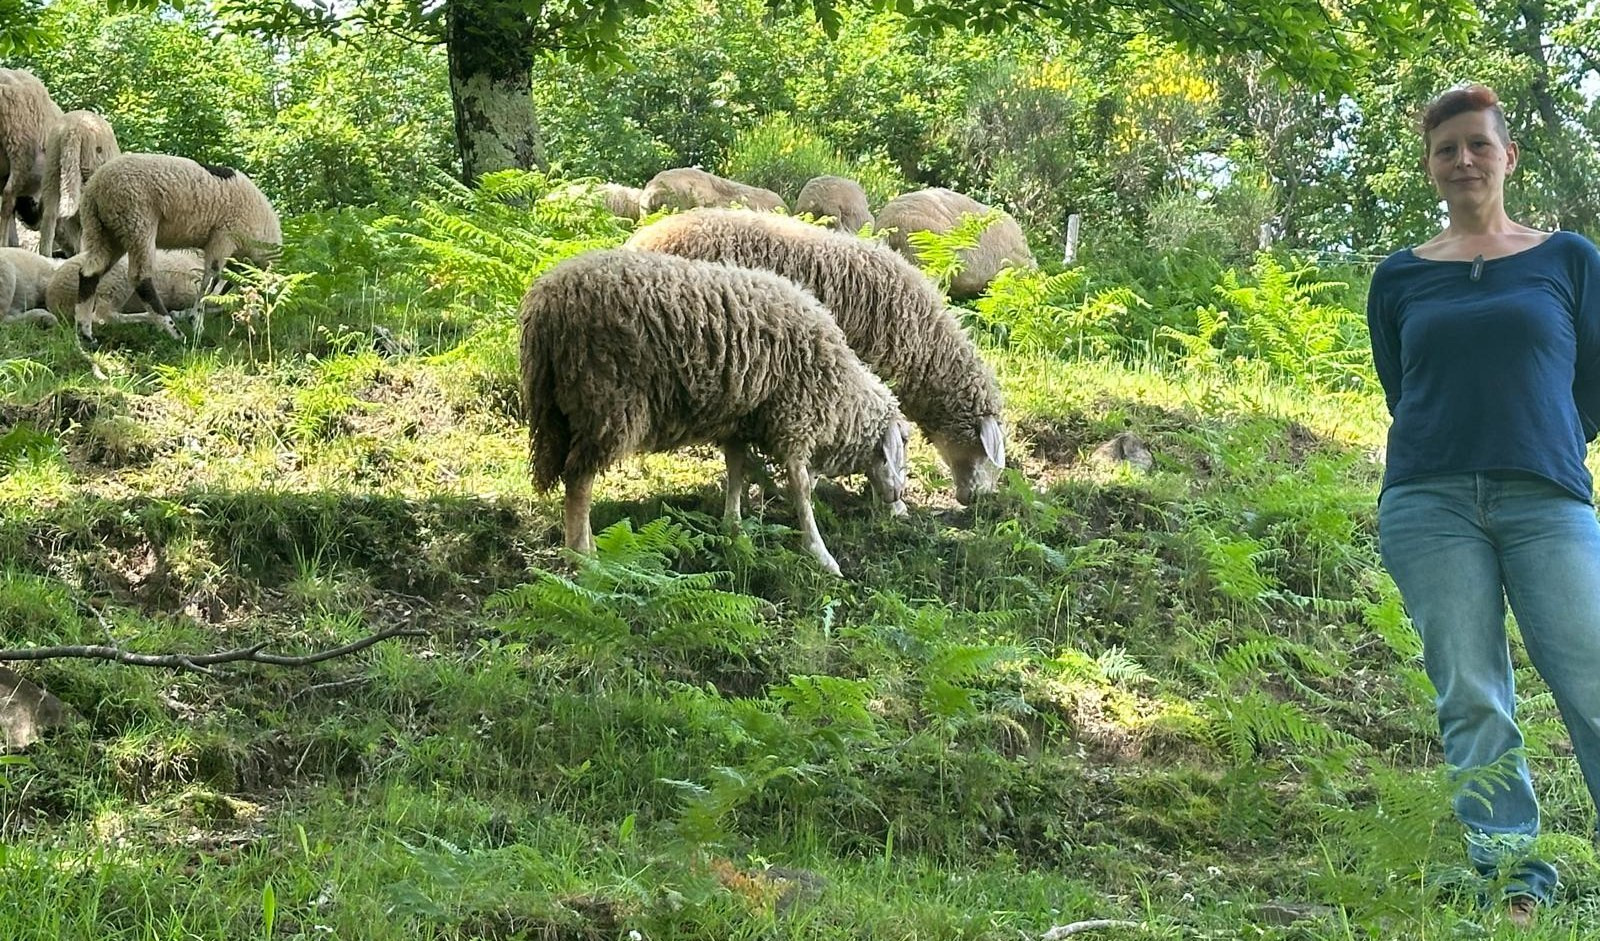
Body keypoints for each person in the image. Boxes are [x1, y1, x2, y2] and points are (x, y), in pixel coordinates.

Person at [1367, 83, 1600, 928]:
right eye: (1445, 149)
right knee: (1471, 691)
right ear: (1430, 168)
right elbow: (1406, 388)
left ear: (1508, 155)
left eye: (1477, 144)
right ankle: (1512, 871)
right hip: (1429, 504)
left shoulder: (1568, 258)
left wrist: (1547, 440)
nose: (1463, 159)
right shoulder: (1398, 275)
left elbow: (1592, 382)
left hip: (1547, 499)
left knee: (1593, 674)